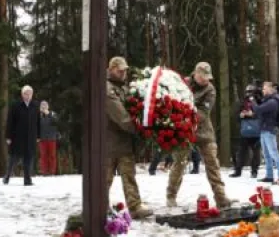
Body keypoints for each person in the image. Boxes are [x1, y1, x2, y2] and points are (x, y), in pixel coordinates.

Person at [167, 62, 232, 209]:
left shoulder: (210, 90)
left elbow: (203, 112)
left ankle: (221, 197)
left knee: (212, 164)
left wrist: (186, 113)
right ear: (195, 74)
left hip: (203, 131)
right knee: (179, 163)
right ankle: (171, 195)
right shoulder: (182, 83)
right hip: (183, 131)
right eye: (203, 77)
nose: (206, 80)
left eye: (208, 77)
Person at [104, 56, 153, 218]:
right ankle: (99, 207)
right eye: (120, 70)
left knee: (129, 176)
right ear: (111, 69)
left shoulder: (123, 88)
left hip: (124, 141)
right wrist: (139, 128)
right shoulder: (107, 88)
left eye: (125, 70)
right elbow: (121, 116)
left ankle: (134, 205)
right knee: (105, 178)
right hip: (109, 141)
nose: (123, 73)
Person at [4, 86, 40, 186]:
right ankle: (7, 176)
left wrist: (38, 136)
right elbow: (10, 121)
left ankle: (27, 180)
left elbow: (38, 122)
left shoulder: (35, 105)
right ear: (22, 94)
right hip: (17, 137)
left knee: (28, 158)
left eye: (30, 94)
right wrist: (8, 136)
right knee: (13, 159)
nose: (28, 96)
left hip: (31, 137)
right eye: (26, 93)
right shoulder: (15, 105)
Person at [254, 82, 279, 185]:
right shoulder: (268, 100)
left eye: (264, 88)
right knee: (266, 154)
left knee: (274, 153)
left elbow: (258, 110)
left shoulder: (273, 101)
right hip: (264, 129)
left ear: (271, 89)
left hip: (269, 129)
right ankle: (269, 176)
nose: (263, 90)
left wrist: (252, 101)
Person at [230, 84, 262, 179]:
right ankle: (238, 170)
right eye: (247, 92)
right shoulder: (242, 102)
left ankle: (254, 171)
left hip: (256, 131)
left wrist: (252, 115)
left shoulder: (259, 101)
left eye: (251, 92)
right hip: (245, 130)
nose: (249, 94)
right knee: (241, 151)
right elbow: (236, 115)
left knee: (256, 152)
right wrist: (241, 115)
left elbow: (261, 113)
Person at [37, 101, 59, 175]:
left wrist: (49, 114)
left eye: (45, 105)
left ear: (48, 106)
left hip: (52, 138)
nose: (43, 106)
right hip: (42, 139)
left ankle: (52, 171)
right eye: (42, 105)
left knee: (52, 155)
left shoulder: (53, 113)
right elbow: (35, 127)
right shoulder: (38, 115)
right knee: (43, 155)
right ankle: (44, 172)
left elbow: (56, 122)